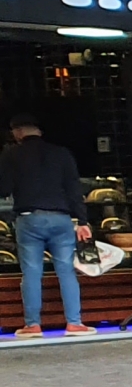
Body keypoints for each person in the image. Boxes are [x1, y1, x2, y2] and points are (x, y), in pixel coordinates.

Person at [0, 113, 93, 338]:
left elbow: (3, 189)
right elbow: (74, 190)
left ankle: (33, 325)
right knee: (67, 271)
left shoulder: (11, 154)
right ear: (39, 131)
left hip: (29, 218)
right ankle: (74, 323)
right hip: (61, 219)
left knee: (32, 272)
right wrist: (83, 221)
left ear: (18, 132)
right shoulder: (62, 153)